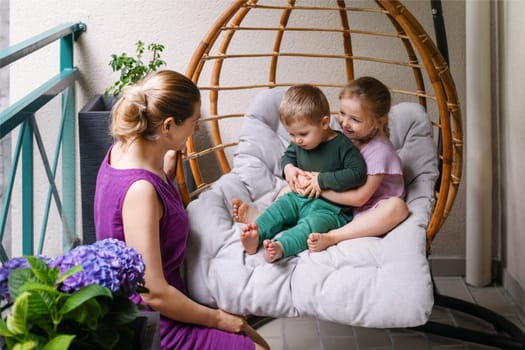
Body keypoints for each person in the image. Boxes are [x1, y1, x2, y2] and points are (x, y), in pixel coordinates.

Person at [93, 70, 270, 350]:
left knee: (250, 333)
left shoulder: (124, 149)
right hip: (152, 320)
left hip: (169, 296)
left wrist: (168, 171)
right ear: (167, 127)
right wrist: (218, 319)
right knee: (254, 344)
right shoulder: (141, 191)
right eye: (193, 122)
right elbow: (153, 292)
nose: (196, 130)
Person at [234, 76, 409, 252]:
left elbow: (359, 198)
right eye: (342, 113)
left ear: (379, 122)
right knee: (288, 192)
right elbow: (296, 157)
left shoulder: (380, 152)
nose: (345, 123)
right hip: (338, 196)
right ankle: (262, 220)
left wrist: (319, 186)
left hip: (367, 208)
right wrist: (293, 172)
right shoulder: (350, 137)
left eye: (355, 119)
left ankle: (333, 236)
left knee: (398, 208)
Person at [240, 84, 367, 263]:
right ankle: (256, 235)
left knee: (311, 226)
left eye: (302, 134)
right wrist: (289, 169)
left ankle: (280, 247)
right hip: (299, 198)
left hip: (331, 210)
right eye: (291, 134)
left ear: (324, 123)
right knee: (279, 208)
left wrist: (322, 180)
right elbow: (287, 157)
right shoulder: (299, 143)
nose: (297, 140)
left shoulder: (342, 145)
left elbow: (358, 173)